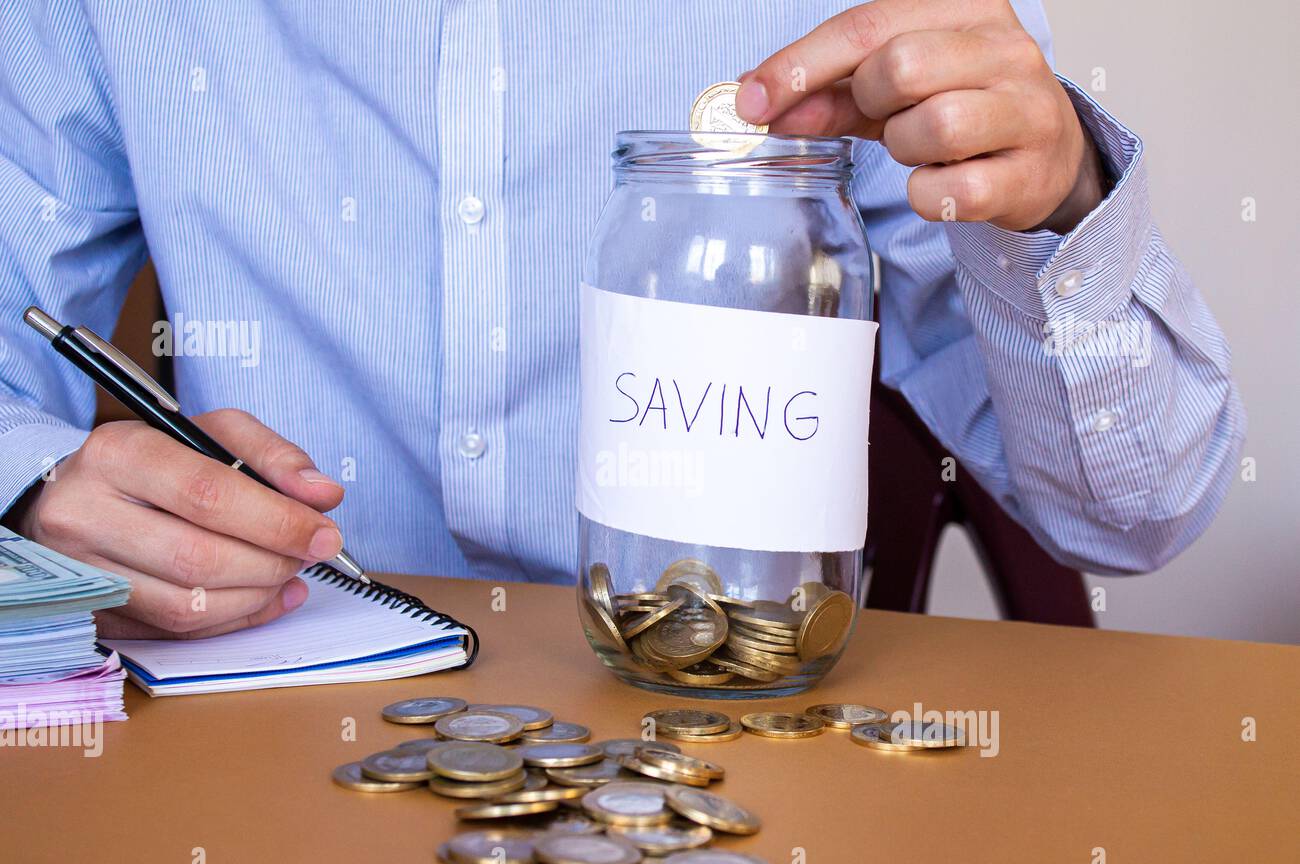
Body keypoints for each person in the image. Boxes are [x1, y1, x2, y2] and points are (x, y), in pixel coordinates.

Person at [0, 0, 1244, 639]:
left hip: (737, 752)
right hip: (258, 719)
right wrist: (36, 490)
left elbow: (1131, 509)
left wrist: (1053, 200)